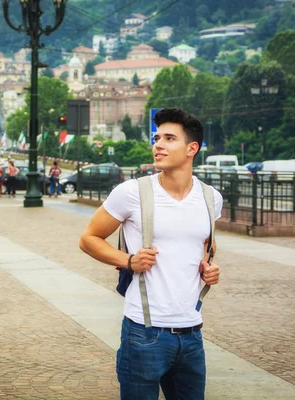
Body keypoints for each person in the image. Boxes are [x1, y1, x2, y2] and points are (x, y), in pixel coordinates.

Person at [78, 108, 222, 400]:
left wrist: (210, 268)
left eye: (170, 138)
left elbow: (206, 246)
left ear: (192, 148)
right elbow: (88, 238)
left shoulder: (211, 198)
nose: (158, 144)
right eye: (157, 137)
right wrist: (128, 261)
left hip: (192, 332)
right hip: (143, 332)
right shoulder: (132, 192)